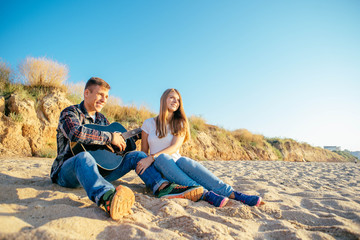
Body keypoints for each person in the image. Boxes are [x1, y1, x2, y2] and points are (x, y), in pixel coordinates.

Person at [50, 78, 204, 220]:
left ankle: (162, 187)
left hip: (101, 171)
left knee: (136, 155)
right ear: (86, 93)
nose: (104, 100)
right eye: (100, 95)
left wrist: (133, 136)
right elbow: (75, 133)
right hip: (68, 173)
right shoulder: (70, 113)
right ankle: (107, 198)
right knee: (84, 157)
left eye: (107, 96)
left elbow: (108, 152)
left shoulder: (102, 119)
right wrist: (110, 137)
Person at [138, 88, 264, 208]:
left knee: (184, 161)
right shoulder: (148, 123)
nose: (176, 101)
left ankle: (233, 194)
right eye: (171, 98)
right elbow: (143, 152)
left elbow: (175, 146)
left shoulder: (180, 122)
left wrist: (152, 157)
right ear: (163, 100)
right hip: (159, 168)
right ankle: (205, 193)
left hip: (178, 167)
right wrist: (151, 159)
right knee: (162, 158)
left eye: (178, 100)